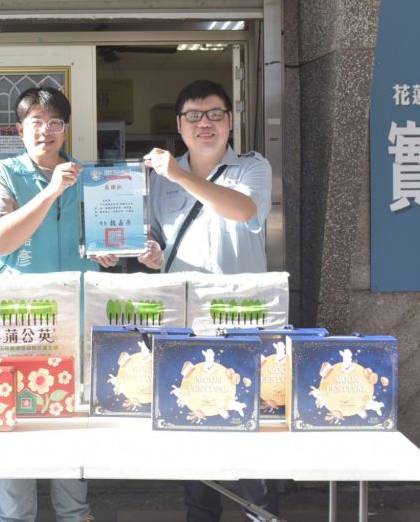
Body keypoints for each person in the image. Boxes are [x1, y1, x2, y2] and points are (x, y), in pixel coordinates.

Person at [0, 86, 114, 522]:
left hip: (74, 320)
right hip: (16, 324)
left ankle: (74, 514)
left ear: (65, 128)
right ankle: (14, 517)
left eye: (55, 122)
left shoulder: (88, 177)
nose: (45, 130)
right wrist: (50, 191)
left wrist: (109, 250)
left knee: (72, 421)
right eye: (36, 121)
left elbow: (105, 234)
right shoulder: (1, 174)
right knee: (15, 420)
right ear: (20, 129)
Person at [139, 79, 276, 522]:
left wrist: (179, 175)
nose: (205, 124)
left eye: (215, 114)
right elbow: (156, 237)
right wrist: (151, 252)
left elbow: (244, 211)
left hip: (244, 322)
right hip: (187, 323)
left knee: (251, 422)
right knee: (192, 422)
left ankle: (260, 513)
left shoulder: (252, 167)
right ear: (180, 125)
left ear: (230, 121)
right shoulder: (159, 180)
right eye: (194, 116)